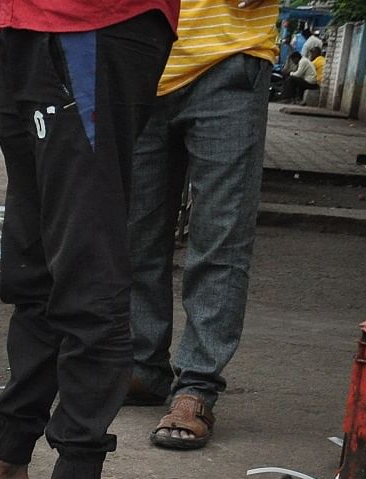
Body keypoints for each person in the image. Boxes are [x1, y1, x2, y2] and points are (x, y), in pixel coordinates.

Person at [0, 0, 179, 479]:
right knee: (31, 260)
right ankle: (9, 455)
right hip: (21, 23)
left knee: (86, 259)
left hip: (96, 21)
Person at [127, 0, 278, 453]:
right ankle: (141, 366)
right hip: (137, 53)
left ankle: (196, 387)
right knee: (134, 234)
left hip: (228, 54)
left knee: (220, 237)